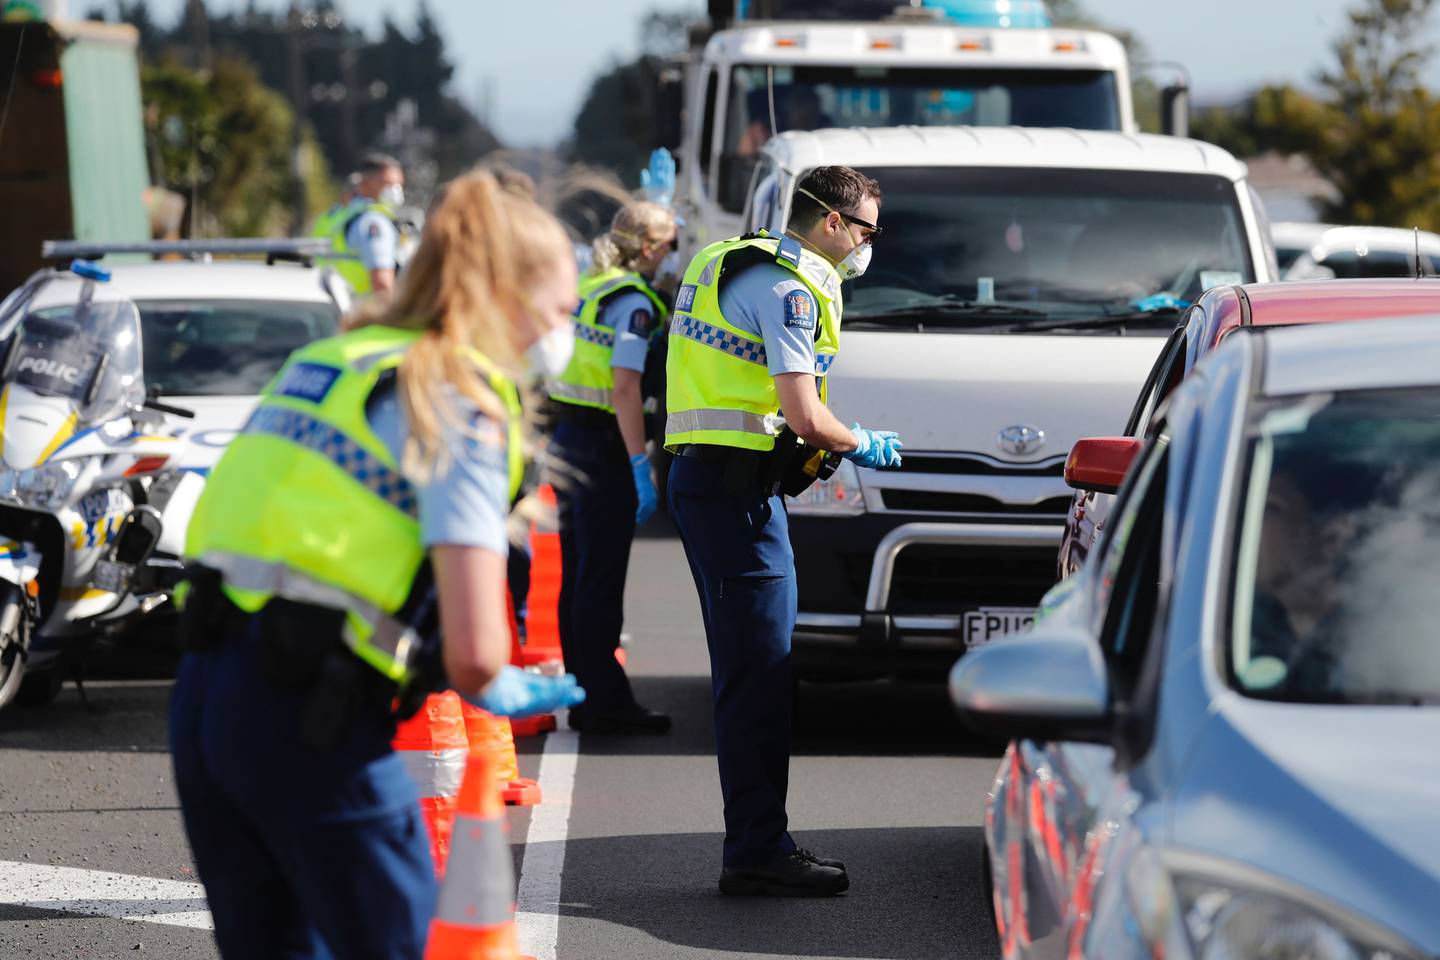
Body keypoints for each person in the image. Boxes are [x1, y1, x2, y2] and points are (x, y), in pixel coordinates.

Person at [170, 170, 585, 960]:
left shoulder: (333, 357)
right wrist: (499, 678)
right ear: (504, 296)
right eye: (562, 311)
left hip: (201, 695)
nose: (563, 334)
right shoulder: (457, 398)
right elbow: (473, 654)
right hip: (308, 716)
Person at [664, 166, 904, 897]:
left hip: (712, 482)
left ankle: (757, 841)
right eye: (865, 229)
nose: (868, 245)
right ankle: (760, 849)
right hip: (737, 499)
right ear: (831, 222)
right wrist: (856, 440)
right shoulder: (791, 289)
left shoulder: (725, 258)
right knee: (762, 676)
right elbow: (804, 413)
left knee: (749, 671)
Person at [549, 201, 678, 734]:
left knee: (578, 574)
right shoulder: (634, 305)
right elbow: (626, 389)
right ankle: (605, 701)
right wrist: (637, 463)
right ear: (648, 249)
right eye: (670, 245)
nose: (674, 256)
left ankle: (585, 690)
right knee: (600, 580)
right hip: (604, 444)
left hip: (567, 437)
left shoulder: (592, 285)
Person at [315, 153, 406, 298]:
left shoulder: (342, 214)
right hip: (368, 314)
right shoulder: (374, 222)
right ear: (366, 182)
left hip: (337, 308)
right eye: (388, 183)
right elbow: (382, 284)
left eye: (399, 184)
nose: (396, 190)